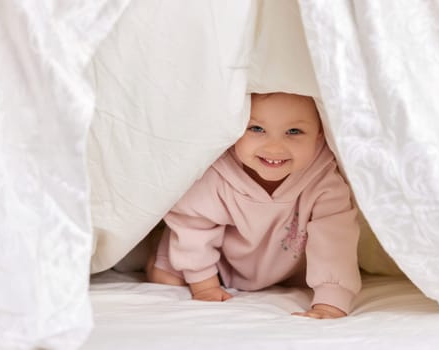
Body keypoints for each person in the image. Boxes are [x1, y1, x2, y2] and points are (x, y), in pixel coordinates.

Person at [147, 92, 361, 319]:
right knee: (166, 280)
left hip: (283, 267)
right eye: (257, 129)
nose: (274, 147)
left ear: (319, 133)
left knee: (313, 278)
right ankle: (149, 253)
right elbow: (193, 225)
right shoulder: (218, 173)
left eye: (294, 131)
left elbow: (335, 242)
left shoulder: (324, 181)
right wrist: (204, 285)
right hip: (215, 261)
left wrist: (330, 304)